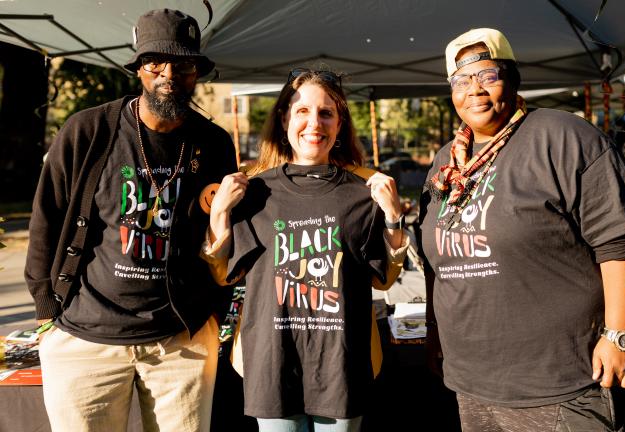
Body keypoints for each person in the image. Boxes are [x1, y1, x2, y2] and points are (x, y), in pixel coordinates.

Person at [418, 28, 625, 432]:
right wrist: (435, 333)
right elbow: (438, 261)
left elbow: (620, 243)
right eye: (461, 80)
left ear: (511, 77)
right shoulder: (445, 163)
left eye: (488, 75)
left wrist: (618, 335)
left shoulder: (563, 138)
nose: (475, 89)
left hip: (561, 383)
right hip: (473, 384)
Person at [24, 9, 237, 432]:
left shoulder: (213, 143)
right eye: (156, 61)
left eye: (182, 64)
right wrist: (47, 308)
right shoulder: (88, 130)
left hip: (181, 343)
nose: (168, 73)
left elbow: (221, 231)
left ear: (196, 72)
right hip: (85, 338)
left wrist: (212, 313)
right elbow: (45, 218)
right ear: (139, 68)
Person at [200, 68, 408, 432]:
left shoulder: (365, 192)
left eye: (326, 112)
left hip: (341, 366)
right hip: (273, 363)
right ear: (284, 119)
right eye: (302, 111)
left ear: (340, 123)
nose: (315, 123)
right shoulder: (253, 193)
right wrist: (219, 212)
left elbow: (384, 279)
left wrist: (392, 217)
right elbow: (224, 274)